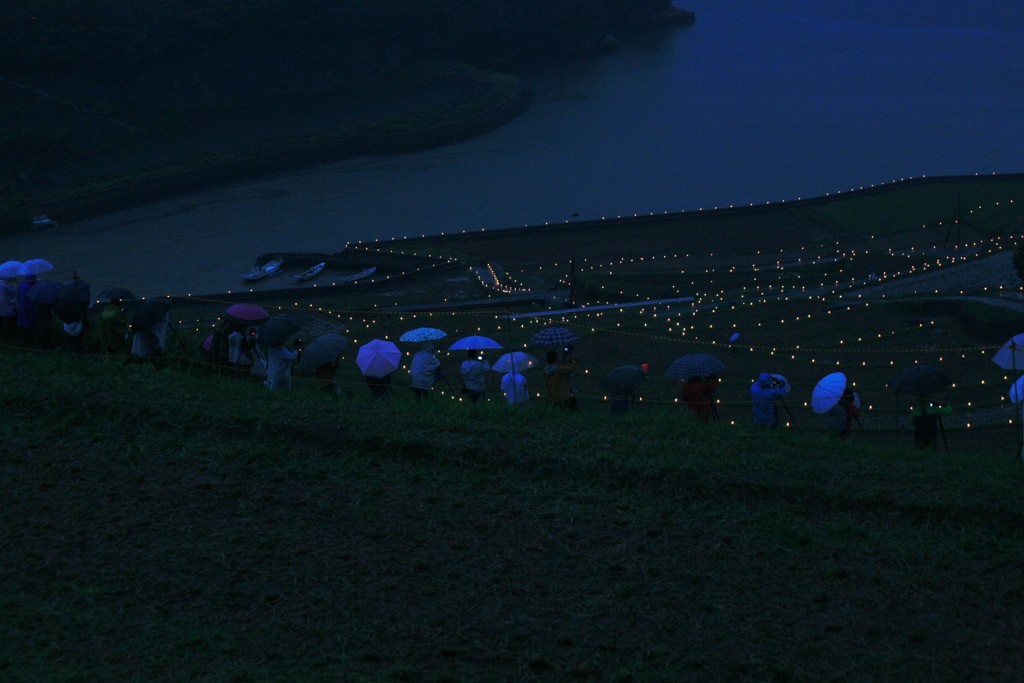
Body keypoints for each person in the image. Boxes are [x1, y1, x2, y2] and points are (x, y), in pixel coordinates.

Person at [16, 273, 36, 345]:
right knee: (29, 323)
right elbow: (33, 297)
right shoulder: (30, 286)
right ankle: (29, 340)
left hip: (21, 306)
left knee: (22, 322)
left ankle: (24, 339)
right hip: (29, 307)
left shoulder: (21, 285)